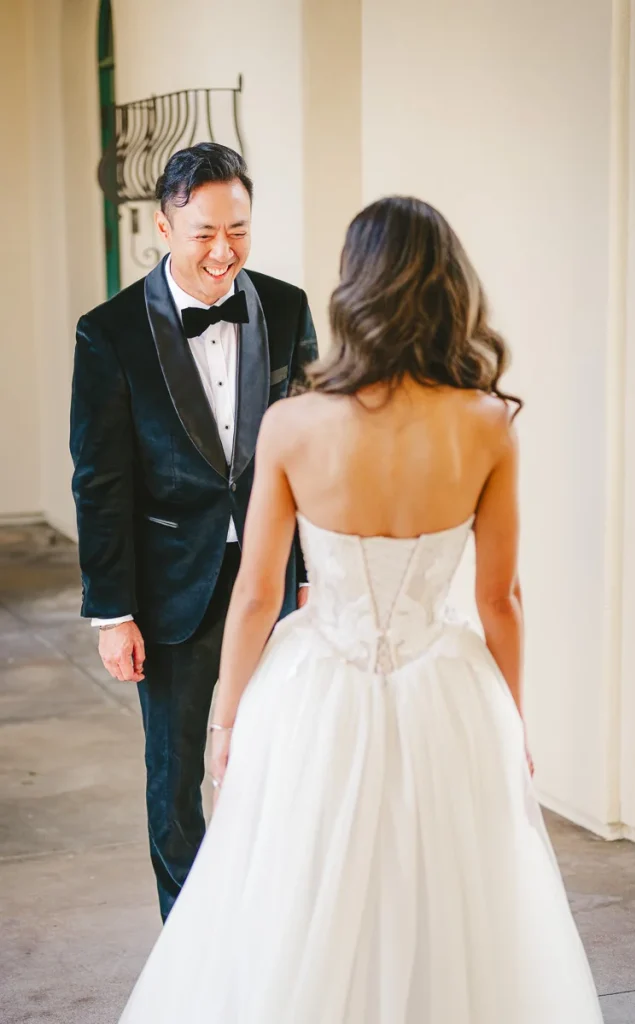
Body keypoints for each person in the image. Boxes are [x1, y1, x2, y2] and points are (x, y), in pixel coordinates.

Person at [117, 196, 604, 1023]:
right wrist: (511, 722)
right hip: (446, 693)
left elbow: (257, 594)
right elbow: (499, 599)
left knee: (304, 889)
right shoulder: (487, 426)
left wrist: (226, 724)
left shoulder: (293, 425)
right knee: (450, 897)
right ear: (451, 289)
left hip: (314, 690)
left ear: (353, 291)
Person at [69, 143, 318, 921]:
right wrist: (112, 611)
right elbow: (99, 478)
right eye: (204, 231)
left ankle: (272, 921)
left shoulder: (284, 306)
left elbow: (310, 448)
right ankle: (194, 942)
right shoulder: (107, 332)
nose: (223, 252)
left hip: (273, 582)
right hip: (169, 588)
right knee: (176, 777)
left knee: (278, 760)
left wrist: (311, 573)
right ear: (163, 223)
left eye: (238, 230)